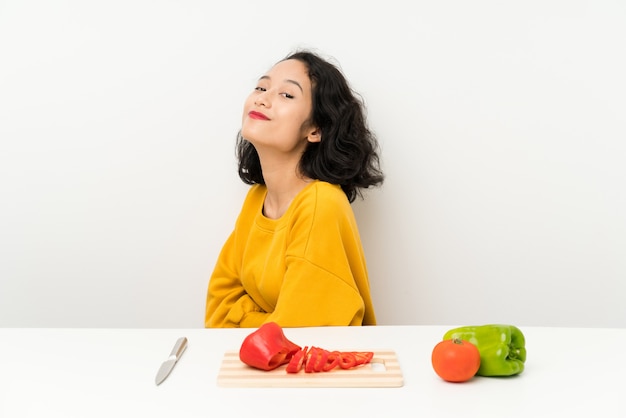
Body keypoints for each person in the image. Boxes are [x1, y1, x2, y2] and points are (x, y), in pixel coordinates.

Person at [204, 50, 384, 328]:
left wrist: (245, 316)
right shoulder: (257, 199)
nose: (262, 98)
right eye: (262, 87)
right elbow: (218, 309)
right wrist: (268, 322)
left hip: (317, 369)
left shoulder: (320, 204)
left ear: (315, 129)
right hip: (265, 369)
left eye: (286, 95)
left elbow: (297, 335)